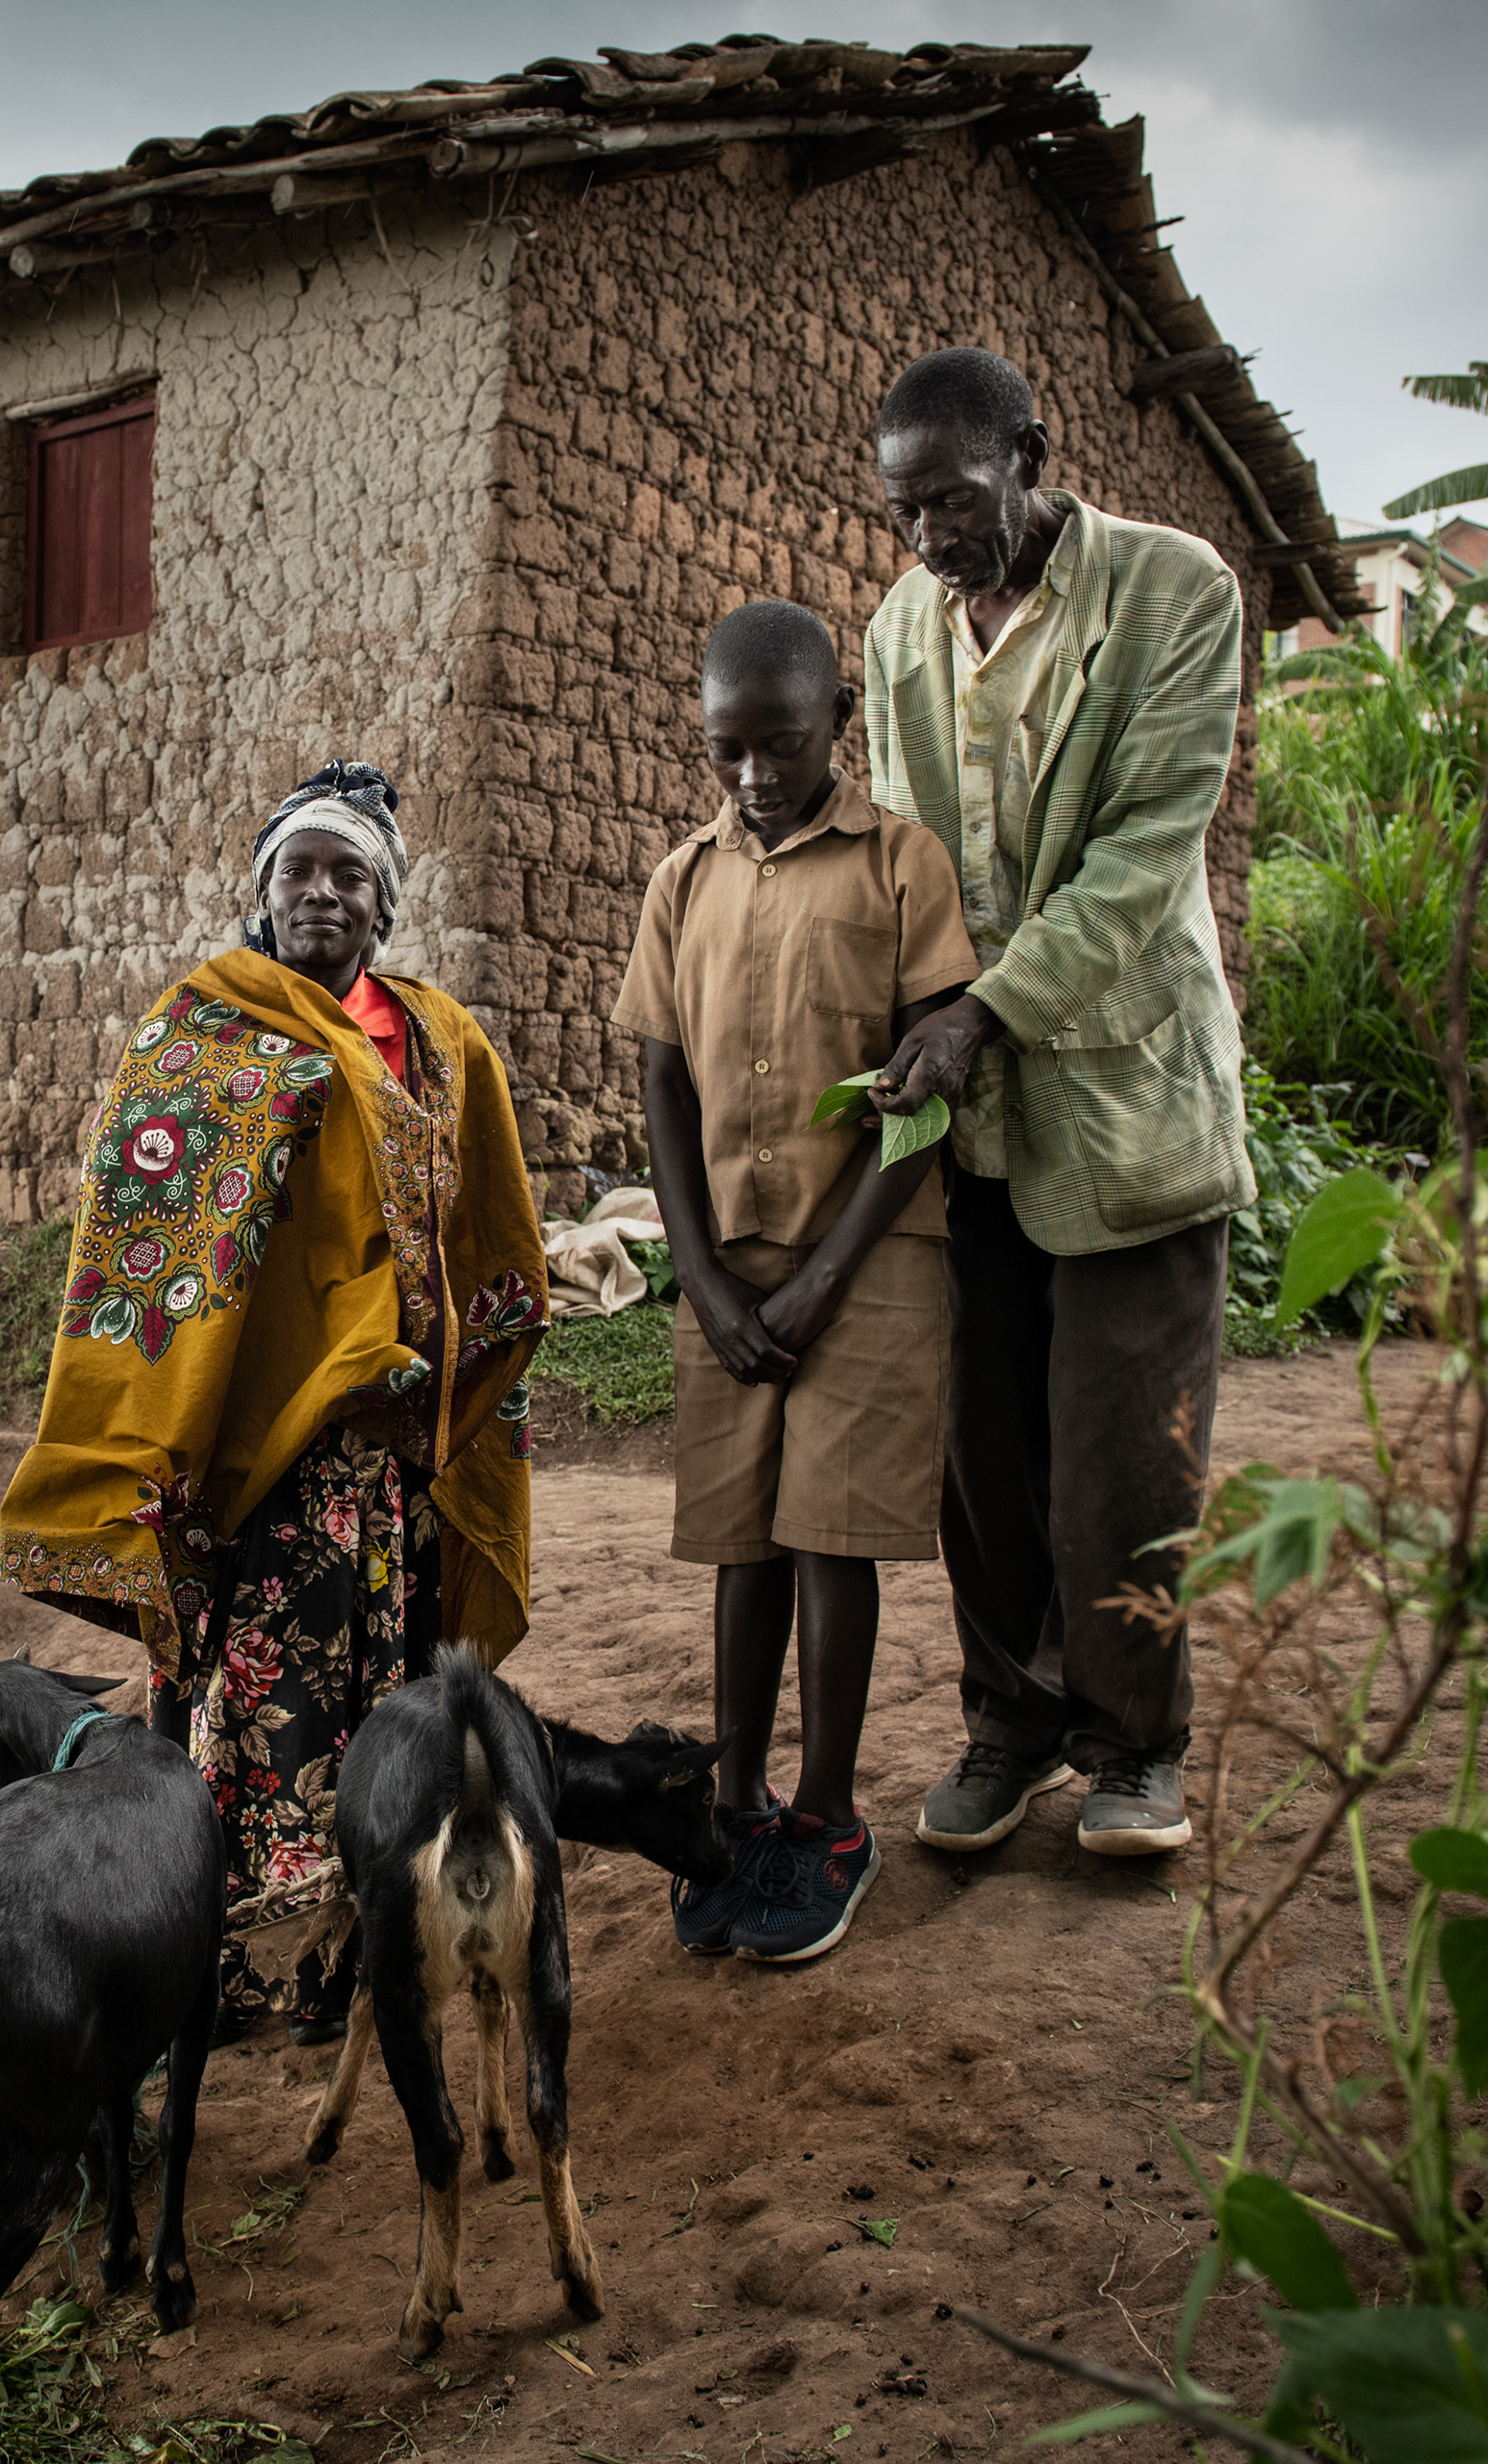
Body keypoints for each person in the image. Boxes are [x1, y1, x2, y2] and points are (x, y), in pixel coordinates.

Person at [0, 761, 553, 2040]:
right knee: (271, 1711)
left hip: (405, 1450)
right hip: (265, 1454)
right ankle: (254, 1973)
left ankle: (375, 1960)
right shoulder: (206, 1035)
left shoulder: (440, 1037)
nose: (319, 892)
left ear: (383, 903)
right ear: (259, 892)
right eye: (296, 871)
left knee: (398, 1701)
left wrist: (454, 1378)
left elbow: (489, 1232)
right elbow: (145, 1243)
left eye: (348, 874)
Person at [859, 346, 1257, 1860]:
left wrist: (988, 1010)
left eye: (950, 500)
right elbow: (908, 858)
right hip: (975, 1125)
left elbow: (1148, 857)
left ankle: (1136, 1744)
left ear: (1031, 453)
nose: (925, 539)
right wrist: (908, 1018)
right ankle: (1011, 1724)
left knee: (1123, 1452)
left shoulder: (1174, 592)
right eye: (902, 510)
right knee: (988, 1458)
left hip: (1125, 1104)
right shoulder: (905, 626)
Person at [612, 601, 981, 1964]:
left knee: (832, 1535)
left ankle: (827, 1819)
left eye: (784, 744)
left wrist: (830, 1272)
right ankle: (734, 1798)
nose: (758, 775)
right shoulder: (682, 882)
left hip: (872, 1254)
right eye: (729, 751)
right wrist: (696, 1269)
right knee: (742, 1541)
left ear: (842, 726)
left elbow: (932, 1067)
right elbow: (659, 1070)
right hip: (731, 1257)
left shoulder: (901, 865)